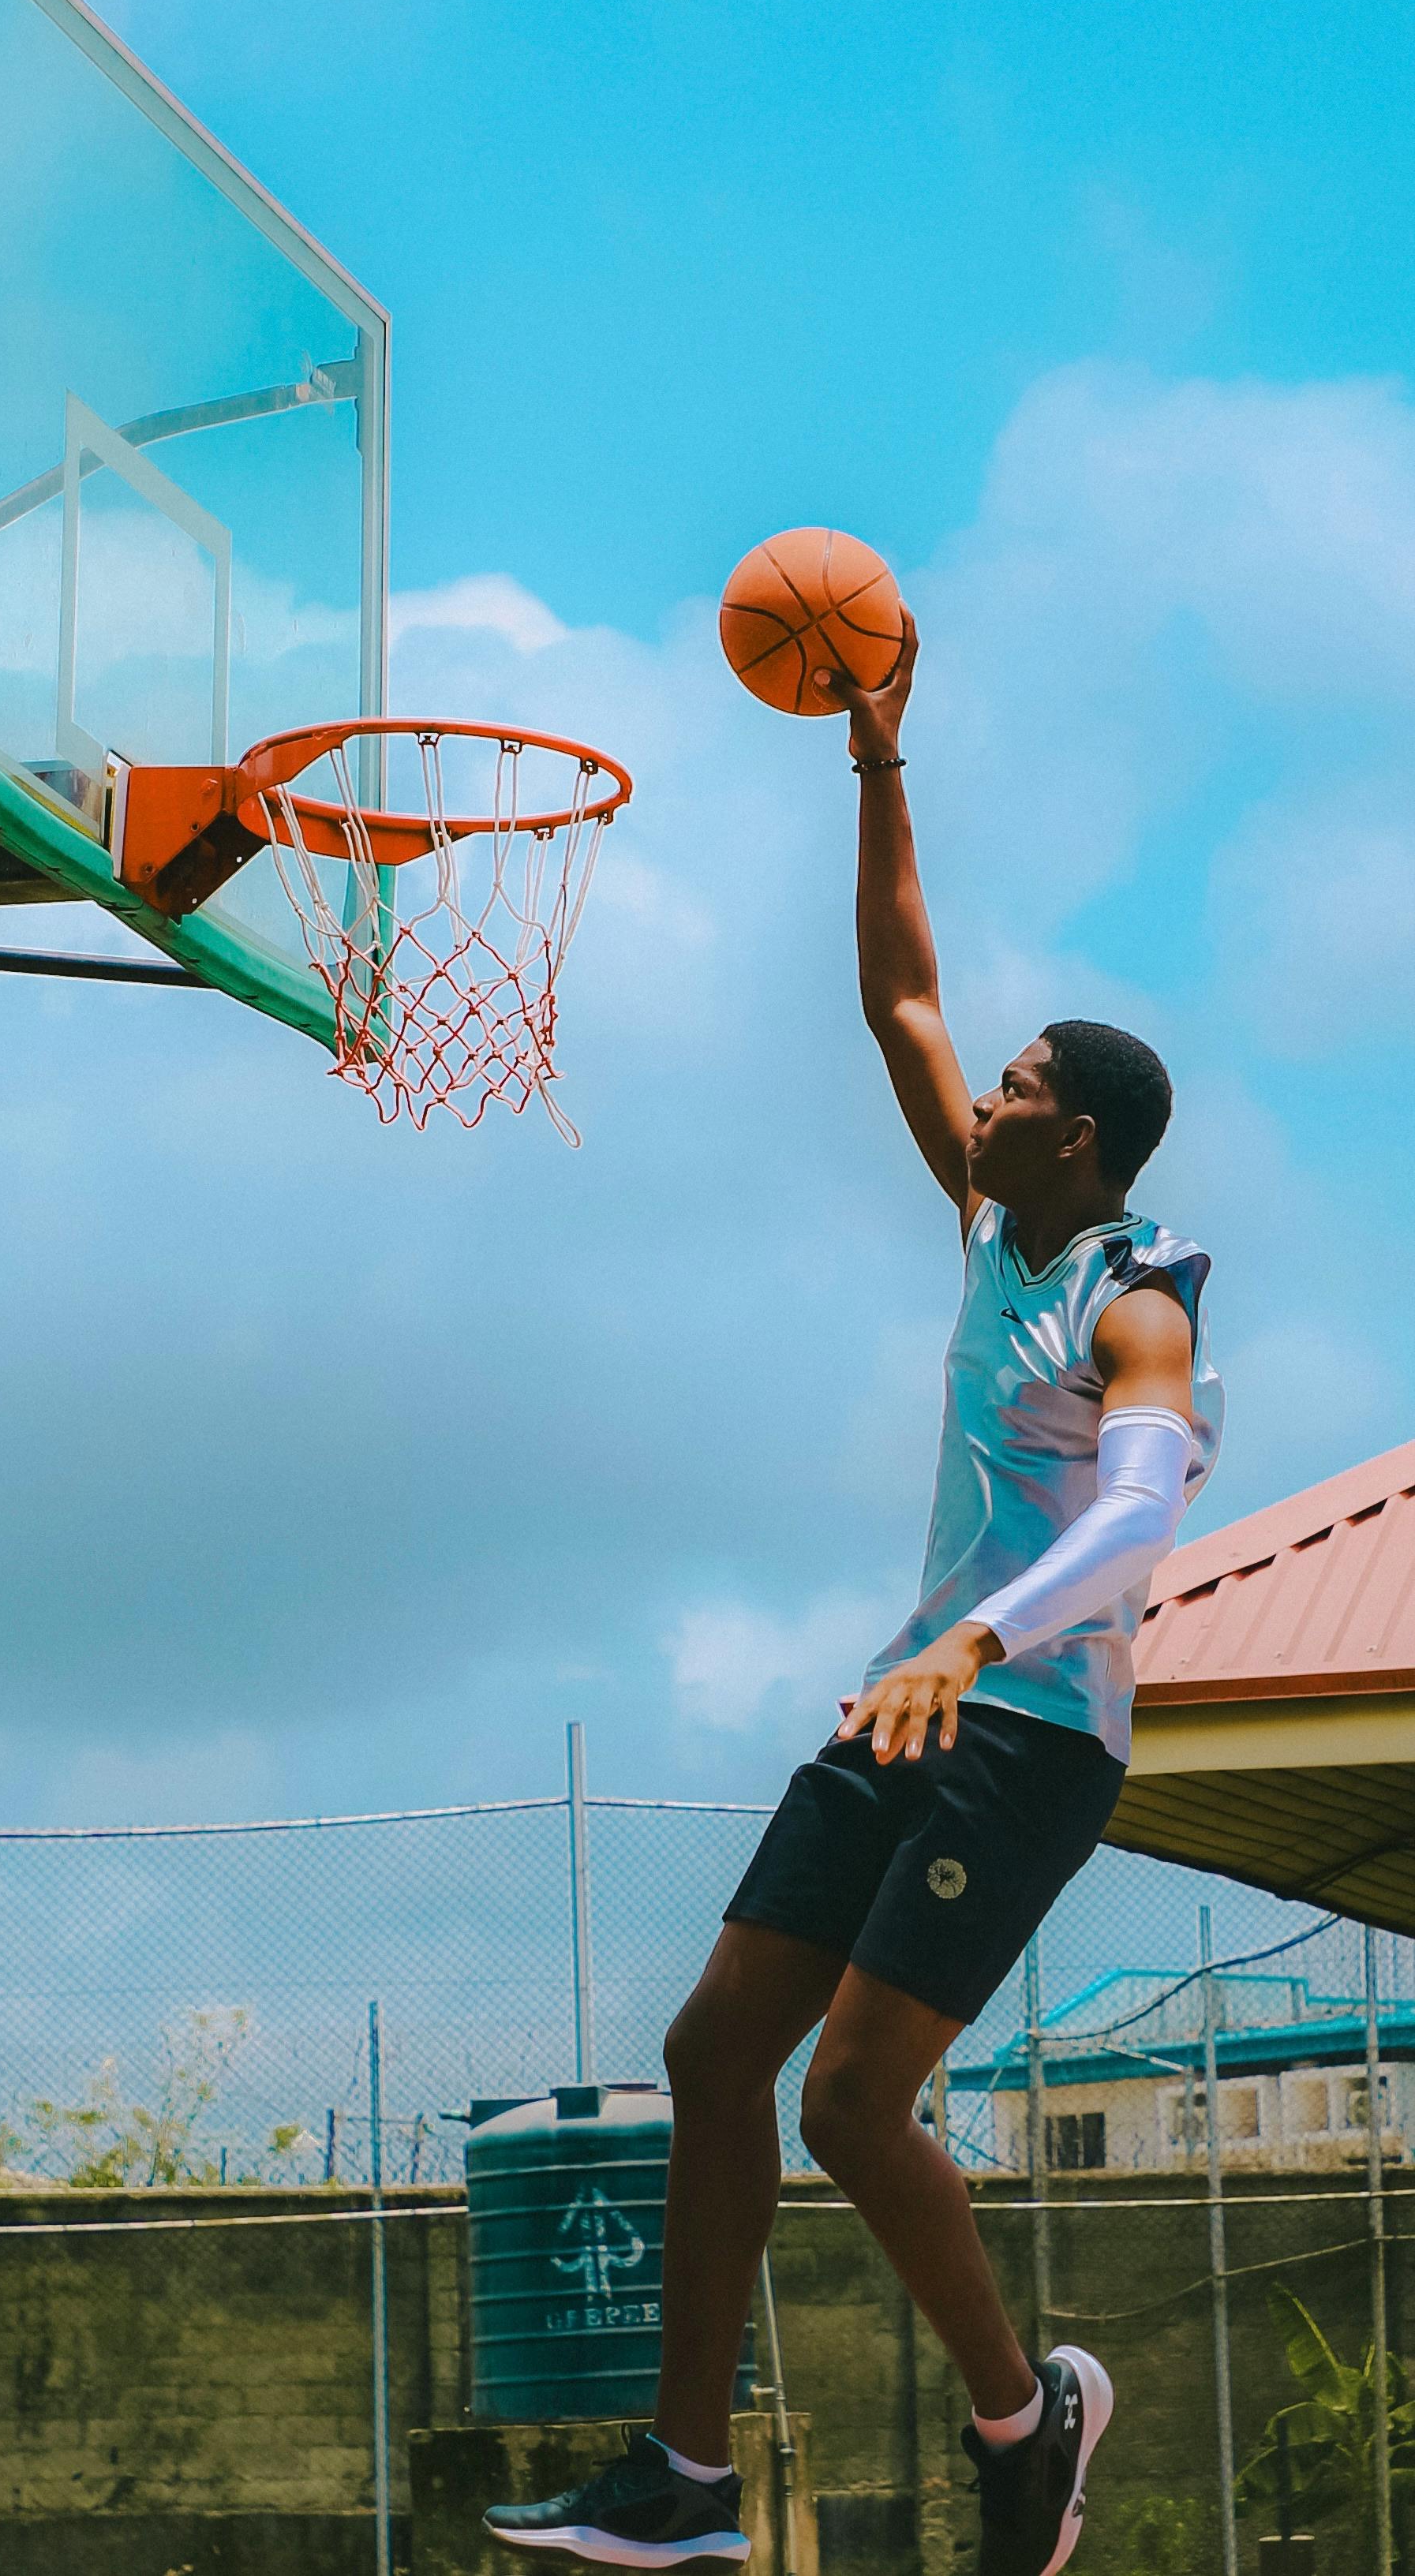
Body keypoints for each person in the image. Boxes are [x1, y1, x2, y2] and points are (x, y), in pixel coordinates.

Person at [488, 614, 1222, 2576]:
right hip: (907, 1706)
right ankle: (686, 2480)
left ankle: (1026, 2411)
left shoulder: (1132, 1302)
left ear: (1074, 1130)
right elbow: (900, 988)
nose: (972, 1090)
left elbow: (1141, 1513)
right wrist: (876, 760)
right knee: (714, 2054)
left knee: (850, 2101)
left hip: (1026, 1736)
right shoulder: (997, 1236)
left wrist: (982, 1636)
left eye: (1010, 1083)